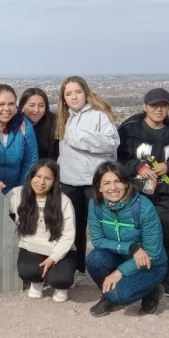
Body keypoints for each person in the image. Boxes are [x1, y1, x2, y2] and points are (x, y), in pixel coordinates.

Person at [116, 87, 169, 297]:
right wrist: (138, 167)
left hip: (163, 194)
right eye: (154, 105)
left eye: (163, 105)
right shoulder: (129, 127)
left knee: (165, 236)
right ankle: (130, 275)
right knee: (132, 235)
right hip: (133, 194)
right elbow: (118, 158)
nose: (158, 109)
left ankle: (164, 279)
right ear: (144, 106)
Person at [56, 76, 120, 273]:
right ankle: (78, 268)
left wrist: (78, 137)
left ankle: (109, 268)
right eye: (68, 94)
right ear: (63, 98)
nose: (74, 97)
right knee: (73, 229)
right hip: (68, 182)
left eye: (78, 92)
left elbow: (112, 143)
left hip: (93, 182)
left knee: (102, 227)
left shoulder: (99, 116)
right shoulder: (65, 116)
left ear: (86, 92)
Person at [85, 162, 167, 317]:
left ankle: (152, 291)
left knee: (119, 295)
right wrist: (131, 248)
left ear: (126, 183)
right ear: (99, 187)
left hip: (150, 264)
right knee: (94, 259)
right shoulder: (95, 205)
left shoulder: (143, 207)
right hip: (122, 256)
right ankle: (108, 297)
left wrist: (120, 271)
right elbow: (98, 240)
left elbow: (153, 252)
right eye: (106, 183)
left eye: (118, 181)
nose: (113, 188)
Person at [8, 159, 76, 302]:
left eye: (47, 178)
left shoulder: (64, 201)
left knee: (61, 279)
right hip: (32, 247)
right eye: (38, 176)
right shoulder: (17, 194)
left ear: (54, 181)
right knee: (27, 271)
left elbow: (68, 235)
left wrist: (53, 257)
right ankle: (37, 282)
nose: (41, 182)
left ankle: (59, 287)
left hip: (58, 248)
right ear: (31, 176)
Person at [19, 87, 59, 161]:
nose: (36, 110)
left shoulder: (54, 124)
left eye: (41, 106)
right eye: (32, 105)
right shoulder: (13, 125)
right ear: (22, 107)